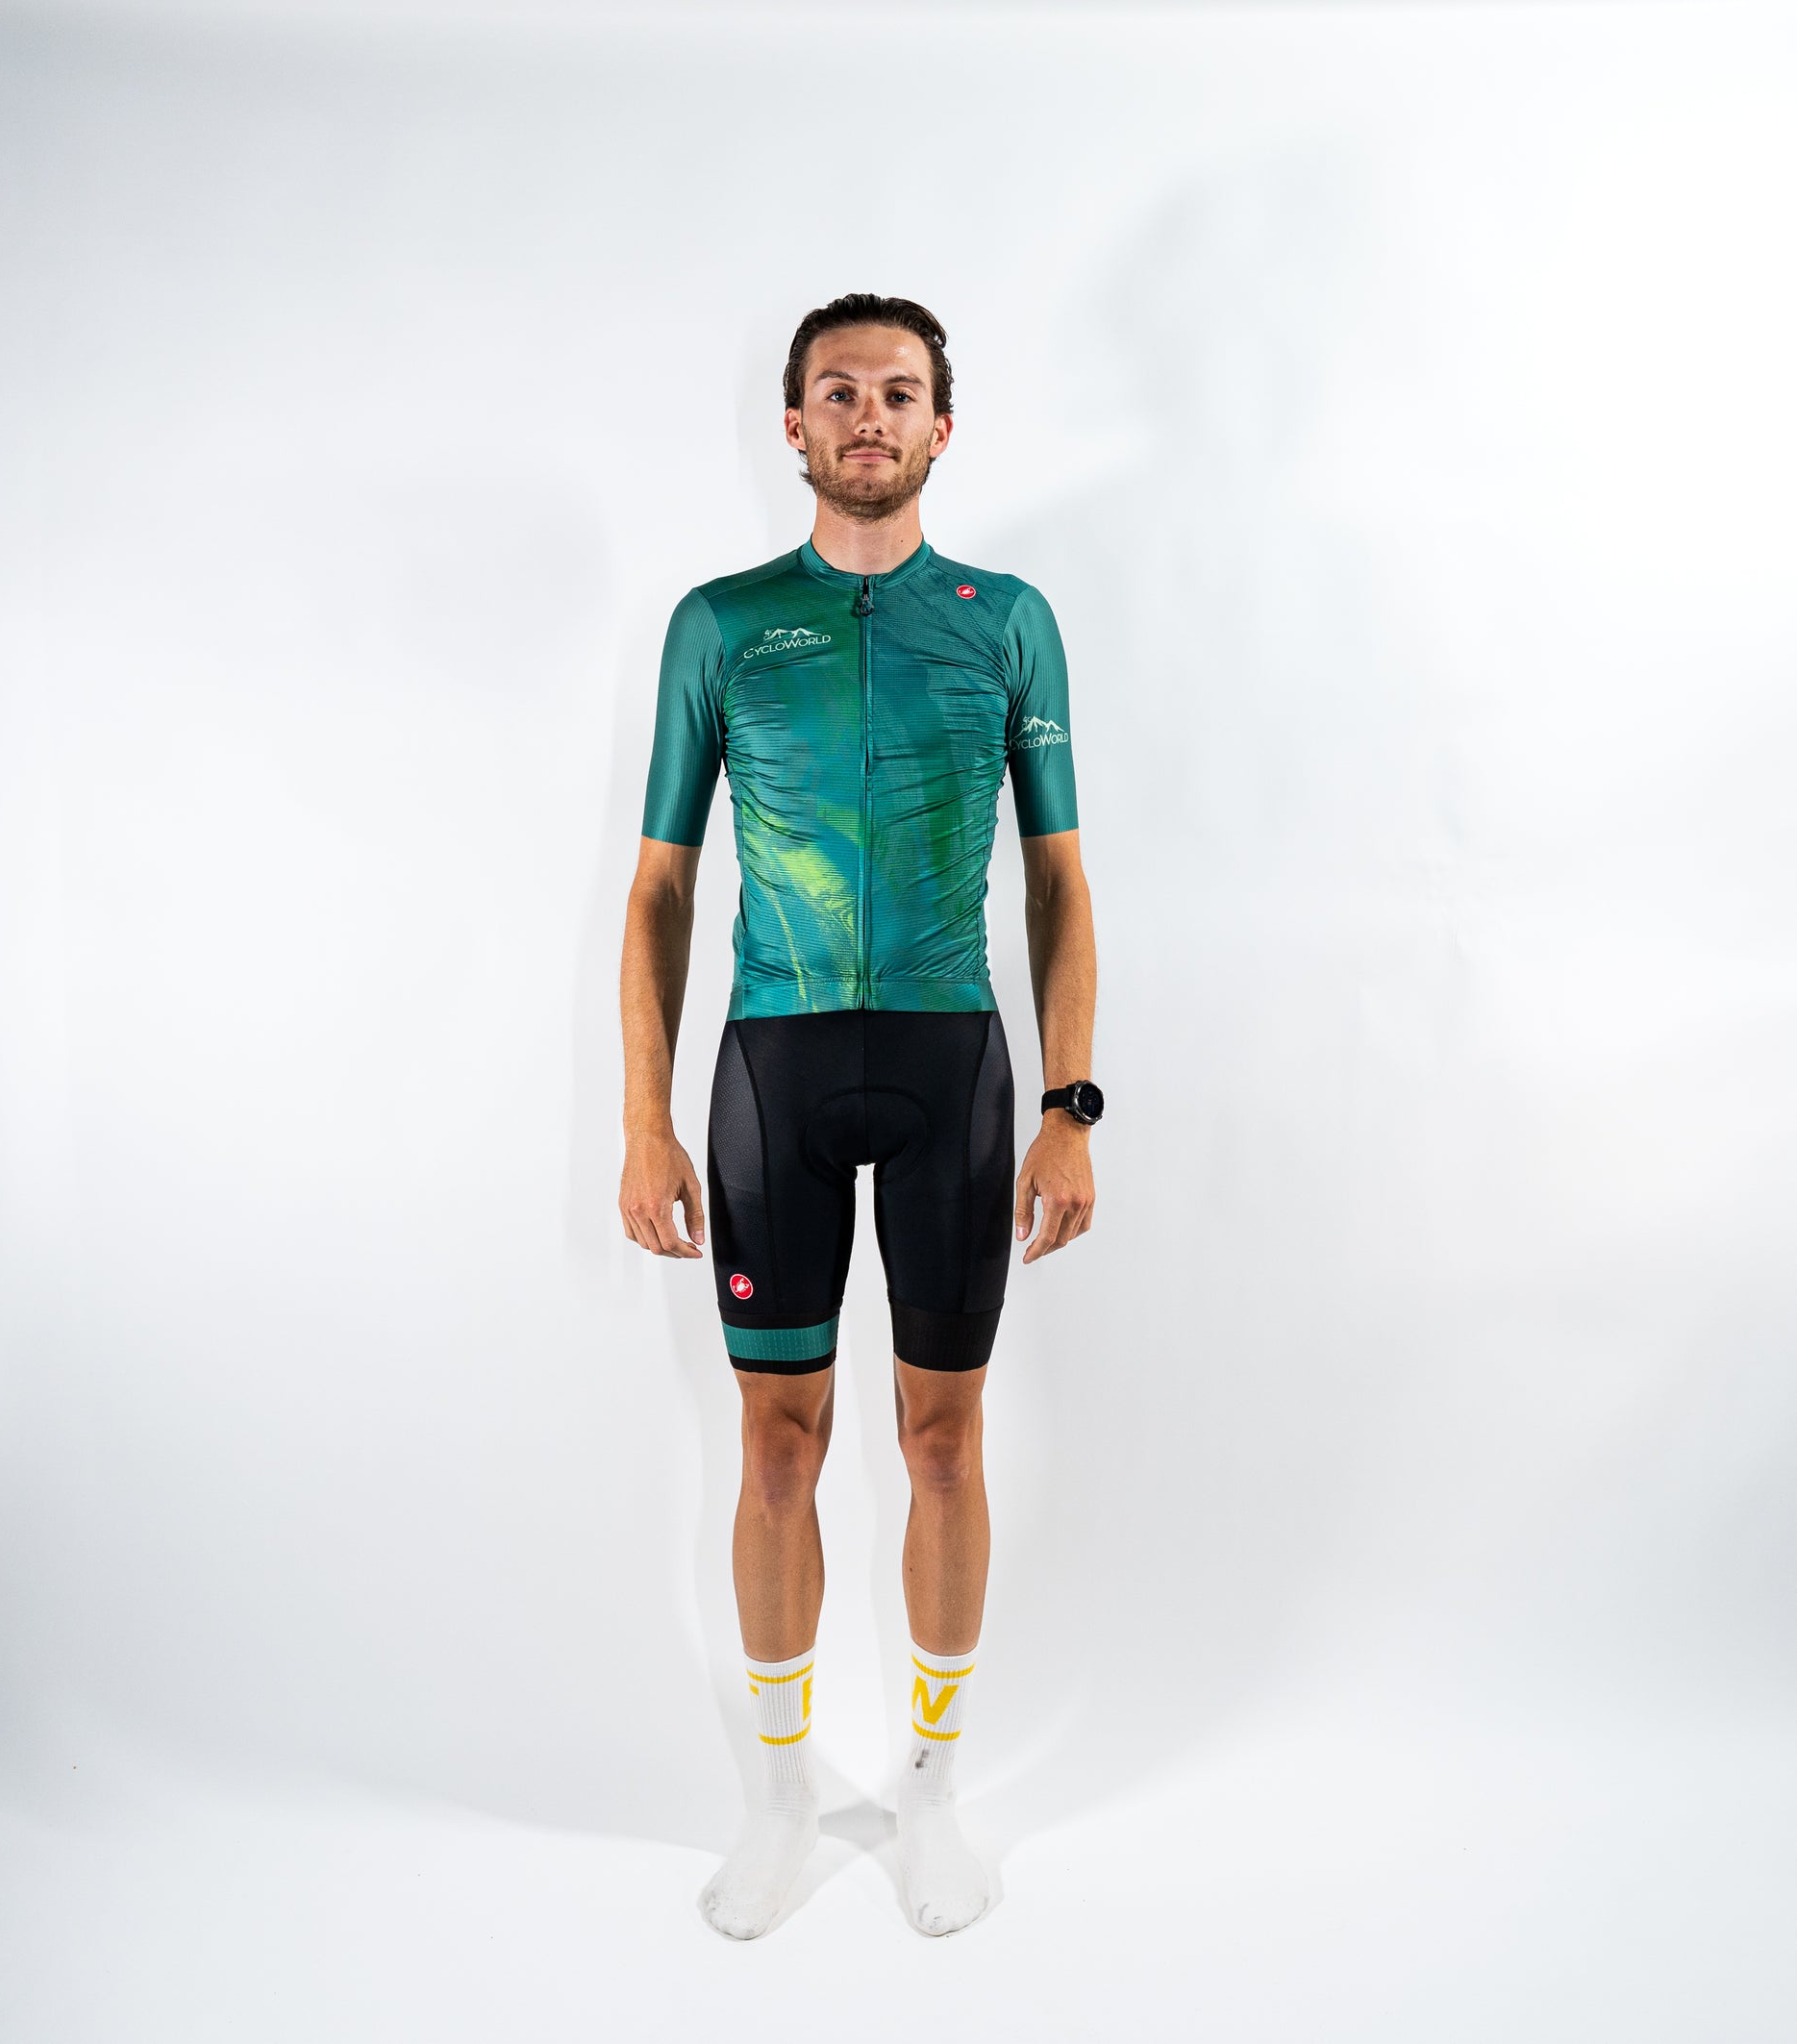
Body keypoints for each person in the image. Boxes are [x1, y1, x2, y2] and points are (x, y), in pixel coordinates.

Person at [617, 293, 1102, 1939]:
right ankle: (776, 1802)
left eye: (899, 391)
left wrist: (1070, 1103)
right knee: (777, 1441)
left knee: (944, 1437)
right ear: (794, 424)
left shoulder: (1006, 620)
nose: (869, 415)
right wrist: (644, 1118)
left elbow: (1058, 880)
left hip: (955, 1061)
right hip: (775, 1072)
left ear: (941, 427)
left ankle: (933, 1796)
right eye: (839, 390)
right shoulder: (721, 624)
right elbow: (660, 890)